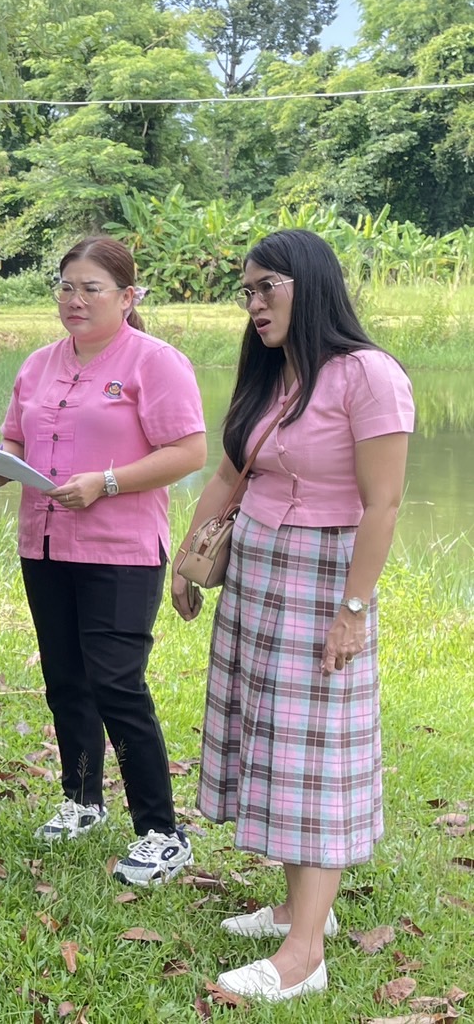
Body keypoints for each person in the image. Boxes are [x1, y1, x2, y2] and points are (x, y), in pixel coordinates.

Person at [171, 230, 413, 1002]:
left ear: (309, 285)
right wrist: (186, 558)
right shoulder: (276, 374)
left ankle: (303, 954)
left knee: (317, 756)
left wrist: (352, 610)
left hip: (322, 578)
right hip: (257, 575)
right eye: (245, 292)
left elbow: (383, 504)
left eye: (265, 288)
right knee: (273, 742)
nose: (253, 305)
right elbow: (230, 472)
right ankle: (294, 908)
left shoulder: (367, 375)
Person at [0, 235, 206, 885]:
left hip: (120, 552)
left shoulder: (153, 363)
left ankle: (161, 831)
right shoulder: (38, 363)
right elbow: (14, 437)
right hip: (45, 544)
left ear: (127, 296)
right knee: (66, 680)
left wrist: (104, 482)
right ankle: (81, 798)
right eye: (65, 287)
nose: (74, 300)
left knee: (116, 684)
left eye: (90, 289)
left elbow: (189, 452)